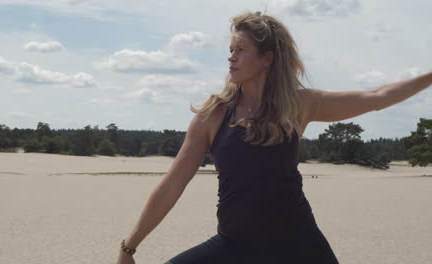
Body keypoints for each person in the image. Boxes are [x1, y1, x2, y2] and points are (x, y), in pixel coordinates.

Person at [117, 11, 432, 264]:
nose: (231, 58)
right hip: (233, 246)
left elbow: (377, 96)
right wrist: (129, 247)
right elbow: (172, 185)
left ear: (267, 58)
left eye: (241, 50)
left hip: (299, 245)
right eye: (230, 50)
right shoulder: (212, 116)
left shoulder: (298, 105)